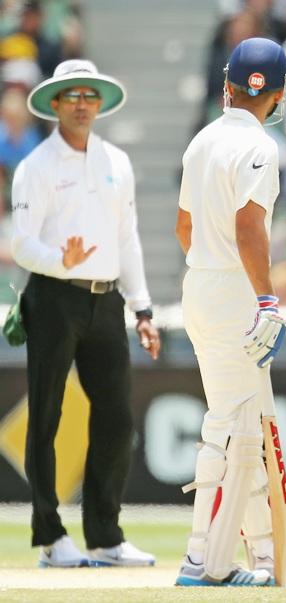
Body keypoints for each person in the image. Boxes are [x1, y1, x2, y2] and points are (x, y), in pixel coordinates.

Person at [10, 59, 160, 568]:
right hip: (53, 297)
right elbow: (21, 244)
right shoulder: (37, 166)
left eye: (89, 95)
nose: (81, 103)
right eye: (71, 95)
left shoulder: (116, 161)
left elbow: (128, 237)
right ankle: (51, 538)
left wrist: (142, 308)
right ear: (55, 105)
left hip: (106, 299)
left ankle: (105, 536)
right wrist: (60, 261)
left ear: (99, 104)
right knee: (46, 416)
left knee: (117, 417)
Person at [174, 37, 286, 587]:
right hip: (234, 292)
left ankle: (271, 552)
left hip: (200, 284)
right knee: (229, 427)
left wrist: (212, 272)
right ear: (277, 93)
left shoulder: (203, 140)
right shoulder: (261, 148)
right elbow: (249, 226)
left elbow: (184, 228)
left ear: (228, 84)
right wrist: (265, 298)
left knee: (244, 423)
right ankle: (203, 558)